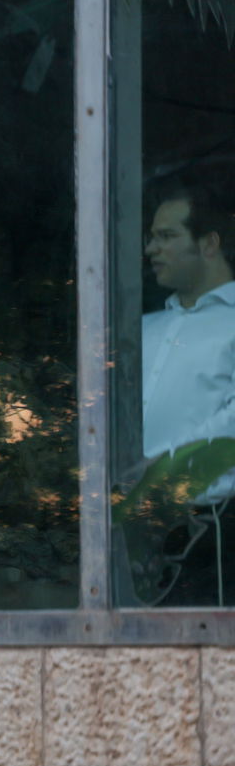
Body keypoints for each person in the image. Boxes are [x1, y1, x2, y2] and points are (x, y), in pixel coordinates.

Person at [138, 181, 235, 602]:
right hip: (133, 534)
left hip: (214, 534)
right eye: (151, 238)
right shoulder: (140, 329)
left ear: (209, 244)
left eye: (167, 236)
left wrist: (162, 475)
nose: (151, 250)